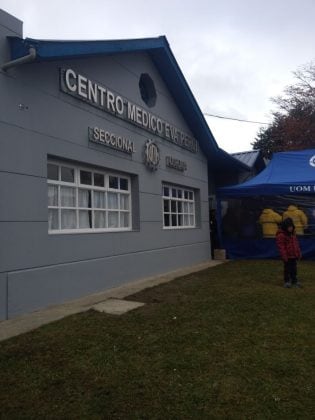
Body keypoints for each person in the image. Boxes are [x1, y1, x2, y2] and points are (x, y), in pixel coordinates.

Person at [276, 217, 302, 288]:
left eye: (291, 227)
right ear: (285, 227)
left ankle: (294, 280)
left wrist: (298, 253)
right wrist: (284, 256)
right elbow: (281, 247)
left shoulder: (293, 234)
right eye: (289, 227)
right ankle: (287, 281)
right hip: (287, 256)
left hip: (294, 255)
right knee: (287, 269)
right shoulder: (281, 235)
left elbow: (296, 244)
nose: (291, 228)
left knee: (294, 269)